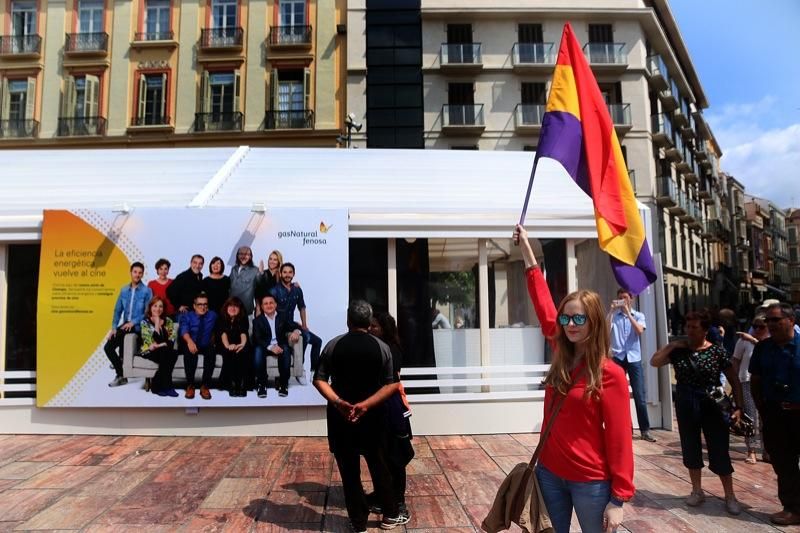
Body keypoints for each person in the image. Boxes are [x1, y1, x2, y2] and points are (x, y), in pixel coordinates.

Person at [515, 225, 632, 533]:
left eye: (578, 318)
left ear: (593, 321)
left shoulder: (611, 374)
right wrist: (527, 251)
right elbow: (543, 304)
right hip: (549, 473)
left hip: (591, 481)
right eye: (566, 317)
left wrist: (619, 498)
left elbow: (620, 438)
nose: (569, 324)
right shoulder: (561, 352)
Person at [313, 300, 405, 532]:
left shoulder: (333, 345)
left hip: (341, 418)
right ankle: (390, 514)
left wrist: (339, 402)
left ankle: (359, 521)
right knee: (379, 465)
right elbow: (391, 385)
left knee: (349, 471)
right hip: (374, 417)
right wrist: (365, 405)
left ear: (348, 320)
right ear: (368, 320)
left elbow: (319, 379)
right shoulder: (382, 347)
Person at [651, 310, 744, 515]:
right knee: (690, 445)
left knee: (719, 447)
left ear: (705, 330)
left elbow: (734, 380)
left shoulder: (717, 352)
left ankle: (730, 495)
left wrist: (739, 406)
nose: (689, 331)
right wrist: (672, 344)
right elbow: (655, 362)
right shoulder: (679, 351)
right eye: (687, 327)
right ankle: (696, 490)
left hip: (713, 403)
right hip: (686, 401)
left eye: (694, 327)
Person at [749, 302, 800, 526]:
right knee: (783, 463)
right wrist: (763, 410)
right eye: (768, 320)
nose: (771, 324)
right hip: (775, 415)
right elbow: (756, 381)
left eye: (776, 320)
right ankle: (792, 508)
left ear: (791, 321)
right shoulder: (763, 348)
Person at [367, 312, 414, 523]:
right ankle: (381, 495)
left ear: (384, 328)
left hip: (393, 410)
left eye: (374, 326)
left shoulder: (391, 350)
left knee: (395, 457)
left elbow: (388, 383)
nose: (370, 329)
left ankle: (399, 503)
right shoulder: (377, 348)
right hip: (380, 409)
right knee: (380, 456)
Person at [608, 288, 655, 443]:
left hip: (634, 358)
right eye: (620, 298)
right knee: (617, 395)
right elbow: (604, 330)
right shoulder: (614, 316)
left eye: (625, 298)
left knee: (639, 395)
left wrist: (628, 313)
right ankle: (621, 428)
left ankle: (645, 430)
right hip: (618, 357)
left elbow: (639, 331)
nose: (623, 301)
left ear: (631, 299)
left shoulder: (639, 315)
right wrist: (611, 310)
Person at [271, 262, 322, 384]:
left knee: (317, 341)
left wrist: (304, 324)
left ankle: (314, 371)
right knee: (305, 336)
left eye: (290, 272)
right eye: (285, 272)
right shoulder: (274, 290)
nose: (287, 275)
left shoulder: (297, 289)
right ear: (281, 274)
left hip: (291, 323)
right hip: (280, 326)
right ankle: (300, 371)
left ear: (293, 274)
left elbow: (302, 307)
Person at [104, 262, 153, 387]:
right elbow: (117, 310)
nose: (137, 275)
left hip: (138, 326)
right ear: (131, 272)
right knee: (108, 347)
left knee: (120, 343)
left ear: (142, 274)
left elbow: (148, 313)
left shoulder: (147, 291)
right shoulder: (124, 290)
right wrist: (114, 327)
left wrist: (134, 321)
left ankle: (120, 375)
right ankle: (121, 369)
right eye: (135, 272)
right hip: (125, 325)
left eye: (140, 273)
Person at [731, 314, 769, 464]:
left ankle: (767, 451)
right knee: (750, 418)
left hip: (768, 384)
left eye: (762, 326)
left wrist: (753, 339)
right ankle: (751, 450)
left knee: (766, 419)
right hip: (747, 381)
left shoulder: (771, 342)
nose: (758, 329)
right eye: (755, 326)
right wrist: (735, 383)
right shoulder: (743, 341)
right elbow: (735, 360)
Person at [252, 294, 300, 398]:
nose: (269, 305)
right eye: (266, 303)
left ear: (275, 304)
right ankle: (261, 384)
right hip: (265, 346)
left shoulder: (282, 317)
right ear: (262, 306)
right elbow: (257, 338)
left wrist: (296, 331)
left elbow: (294, 325)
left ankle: (283, 383)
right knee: (257, 350)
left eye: (271, 303)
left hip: (280, 344)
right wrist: (270, 347)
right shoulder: (257, 321)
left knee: (286, 349)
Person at [178, 292, 218, 400]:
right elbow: (184, 330)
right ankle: (190, 385)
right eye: (200, 304)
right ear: (194, 306)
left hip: (205, 344)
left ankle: (205, 386)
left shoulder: (213, 315)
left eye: (205, 304)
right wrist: (189, 341)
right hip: (192, 342)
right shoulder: (187, 316)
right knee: (189, 351)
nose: (203, 307)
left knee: (212, 352)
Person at [139, 296, 179, 397]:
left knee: (172, 352)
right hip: (149, 351)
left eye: (160, 306)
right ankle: (168, 386)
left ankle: (156, 384)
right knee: (168, 353)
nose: (158, 309)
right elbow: (151, 342)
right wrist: (157, 323)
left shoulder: (168, 321)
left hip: (164, 350)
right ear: (150, 307)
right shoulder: (145, 322)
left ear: (163, 308)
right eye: (155, 306)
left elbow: (171, 340)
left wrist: (163, 344)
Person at [217, 296, 249, 397]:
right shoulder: (221, 317)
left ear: (240, 309)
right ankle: (232, 385)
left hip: (240, 342)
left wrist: (242, 344)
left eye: (236, 306)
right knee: (229, 353)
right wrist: (228, 345)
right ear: (226, 307)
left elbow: (243, 333)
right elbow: (223, 334)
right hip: (225, 344)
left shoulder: (243, 318)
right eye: (230, 306)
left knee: (242, 352)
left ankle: (242, 385)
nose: (233, 308)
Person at [229, 246, 259, 316]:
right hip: (231, 310)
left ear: (251, 256)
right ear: (237, 255)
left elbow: (259, 291)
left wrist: (258, 308)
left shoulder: (255, 270)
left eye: (247, 254)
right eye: (241, 254)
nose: (244, 256)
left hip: (246, 312)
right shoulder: (233, 269)